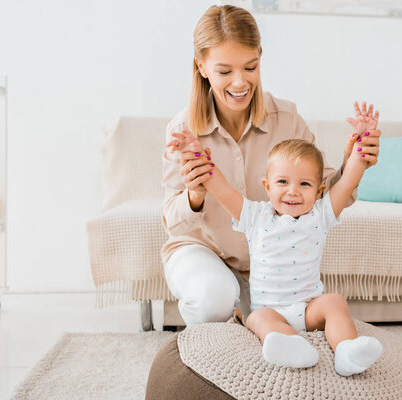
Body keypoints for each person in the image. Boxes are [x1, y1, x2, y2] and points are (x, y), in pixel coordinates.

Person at [161, 4, 381, 329]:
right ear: (202, 66)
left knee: (271, 324)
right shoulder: (184, 130)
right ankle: (209, 344)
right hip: (202, 250)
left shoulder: (287, 120)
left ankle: (240, 318)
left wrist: (355, 160)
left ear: (260, 58)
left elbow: (322, 200)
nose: (240, 83)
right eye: (224, 71)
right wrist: (195, 194)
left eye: (250, 67)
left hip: (268, 265)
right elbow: (173, 223)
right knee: (213, 298)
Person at [168, 133, 383, 376]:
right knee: (256, 319)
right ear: (267, 186)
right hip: (270, 311)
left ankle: (347, 351)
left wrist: (360, 148)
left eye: (304, 184)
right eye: (283, 182)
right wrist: (194, 152)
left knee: (335, 302)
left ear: (319, 190)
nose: (293, 191)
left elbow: (346, 183)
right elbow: (222, 189)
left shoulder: (320, 215)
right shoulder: (255, 216)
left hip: (308, 308)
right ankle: (291, 346)